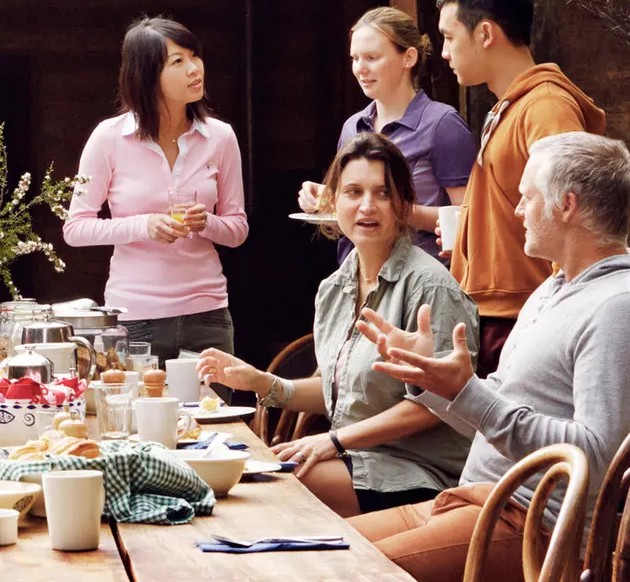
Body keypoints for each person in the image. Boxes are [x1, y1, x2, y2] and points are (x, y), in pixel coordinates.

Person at [285, 132, 630, 582]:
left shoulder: (622, 308)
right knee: (318, 560)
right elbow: (492, 409)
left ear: (566, 205)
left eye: (525, 198)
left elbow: (593, 457)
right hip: (474, 502)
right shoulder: (556, 288)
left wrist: (466, 392)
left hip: (533, 531)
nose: (515, 210)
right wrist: (435, 379)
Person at [198, 133, 471, 514]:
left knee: (271, 491)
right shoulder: (335, 287)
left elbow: (439, 404)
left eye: (382, 193)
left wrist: (335, 441)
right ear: (332, 203)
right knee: (240, 473)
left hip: (422, 472)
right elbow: (340, 390)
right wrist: (263, 383)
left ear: (404, 204)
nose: (367, 206)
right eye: (353, 192)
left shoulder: (430, 286)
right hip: (357, 457)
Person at [434, 0, 604, 371]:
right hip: (501, 313)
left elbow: (575, 215)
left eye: (449, 37)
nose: (444, 53)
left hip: (527, 317)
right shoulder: (512, 107)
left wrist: (560, 318)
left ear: (485, 33)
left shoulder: (545, 107)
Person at [64, 17, 251, 360]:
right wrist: (144, 225)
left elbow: (237, 229)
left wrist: (205, 222)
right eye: (178, 62)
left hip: (206, 314)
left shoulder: (220, 137)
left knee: (212, 414)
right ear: (147, 76)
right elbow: (75, 229)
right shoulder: (109, 137)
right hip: (135, 316)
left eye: (195, 56)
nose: (195, 69)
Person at [300, 6, 477, 257]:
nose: (360, 68)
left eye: (372, 57)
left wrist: (393, 209)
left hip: (418, 279)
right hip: (357, 276)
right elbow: (349, 217)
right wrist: (325, 199)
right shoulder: (353, 126)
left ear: (409, 58)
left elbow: (467, 217)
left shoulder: (442, 124)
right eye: (355, 58)